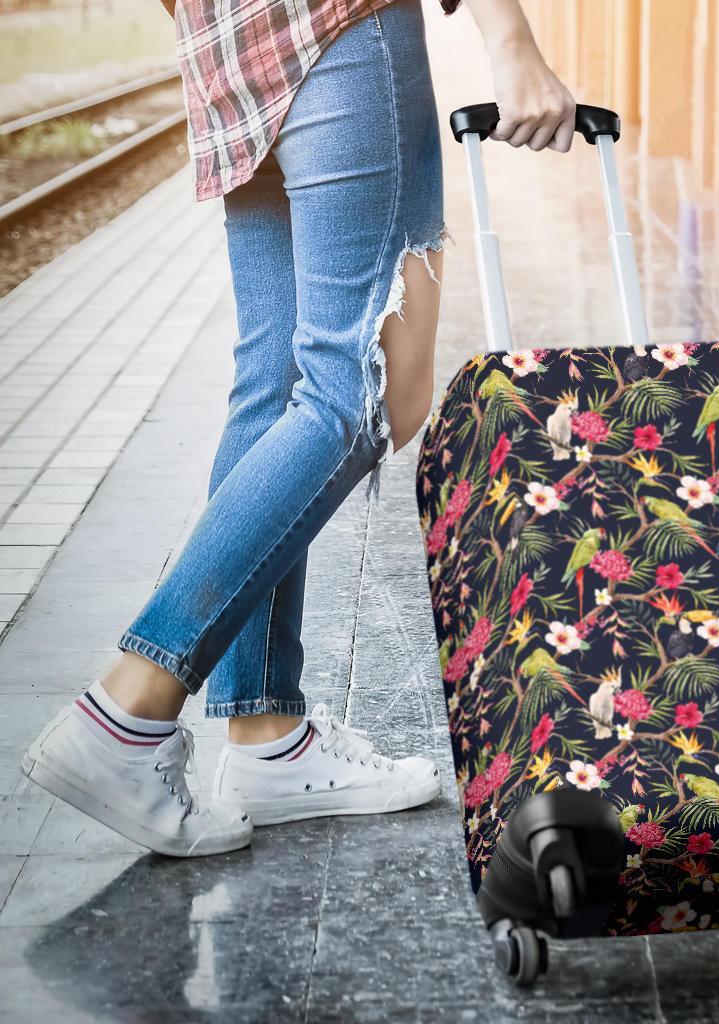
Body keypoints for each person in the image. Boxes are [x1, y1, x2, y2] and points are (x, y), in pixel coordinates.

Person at [22, 0, 576, 857]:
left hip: (228, 51)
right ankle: (128, 710)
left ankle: (265, 735)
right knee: (361, 390)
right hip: (341, 27)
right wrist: (512, 44)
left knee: (276, 383)